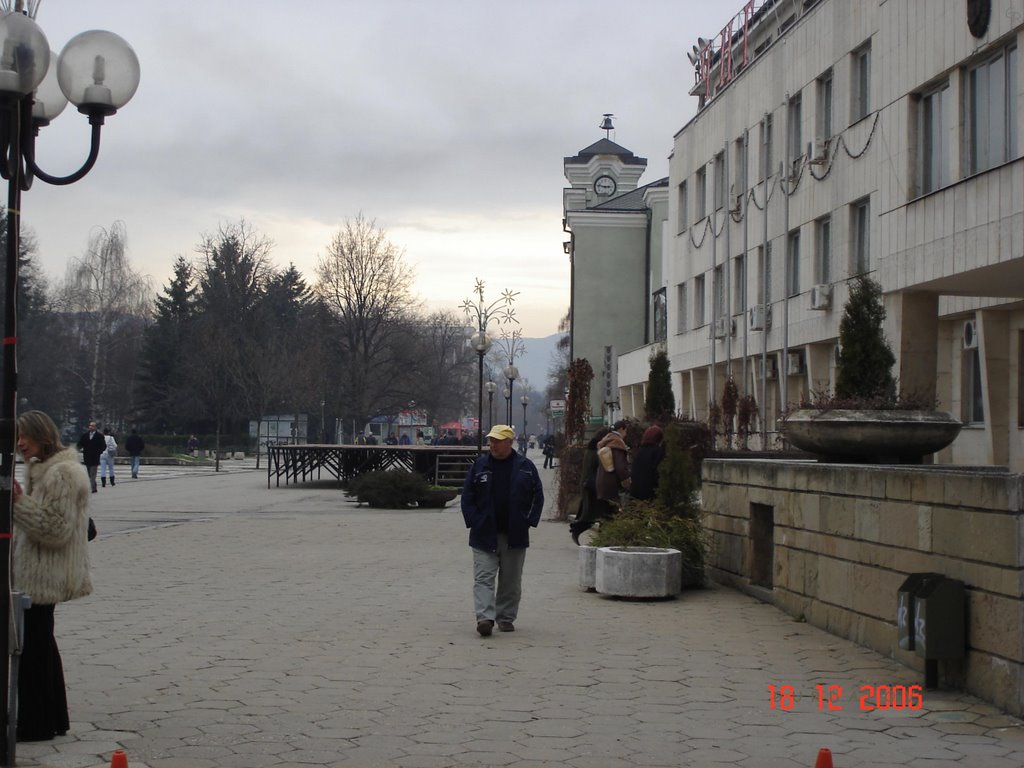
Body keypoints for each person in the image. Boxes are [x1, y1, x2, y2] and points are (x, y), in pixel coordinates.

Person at [13, 410, 93, 742]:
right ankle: (51, 718)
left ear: (41, 436)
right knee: (41, 645)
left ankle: (36, 724)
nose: (19, 444)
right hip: (38, 572)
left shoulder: (62, 473)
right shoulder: (44, 471)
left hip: (44, 575)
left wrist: (16, 503)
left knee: (34, 649)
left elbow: (55, 528)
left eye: (24, 437)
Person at [461, 424, 543, 636]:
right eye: (491, 441)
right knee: (483, 578)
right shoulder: (480, 466)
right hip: (484, 533)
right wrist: (474, 520)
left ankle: (506, 618)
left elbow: (538, 495)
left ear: (509, 442)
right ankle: (485, 618)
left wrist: (529, 521)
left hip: (514, 534)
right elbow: (467, 496)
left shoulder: (525, 466)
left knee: (510, 580)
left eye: (497, 441)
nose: (492, 445)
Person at [568, 427, 610, 545]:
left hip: (589, 485)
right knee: (596, 513)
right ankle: (577, 529)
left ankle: (578, 530)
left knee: (595, 513)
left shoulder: (591, 448)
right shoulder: (596, 451)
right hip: (593, 486)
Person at [595, 419, 631, 513]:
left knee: (605, 515)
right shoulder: (617, 443)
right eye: (625, 431)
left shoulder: (606, 441)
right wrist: (627, 482)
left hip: (601, 483)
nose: (626, 434)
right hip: (612, 485)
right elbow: (620, 467)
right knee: (613, 516)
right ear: (621, 429)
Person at [629, 425, 665, 501]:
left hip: (636, 493)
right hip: (650, 494)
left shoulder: (639, 452)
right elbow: (658, 474)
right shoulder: (658, 452)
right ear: (659, 439)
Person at [76, 420, 105, 493]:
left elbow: (103, 446)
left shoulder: (99, 436)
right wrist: (77, 449)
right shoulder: (85, 435)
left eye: (92, 426)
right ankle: (94, 486)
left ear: (95, 427)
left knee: (93, 473)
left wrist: (99, 452)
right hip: (87, 456)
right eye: (90, 426)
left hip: (95, 457)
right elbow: (80, 444)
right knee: (89, 473)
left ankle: (91, 488)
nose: (91, 427)